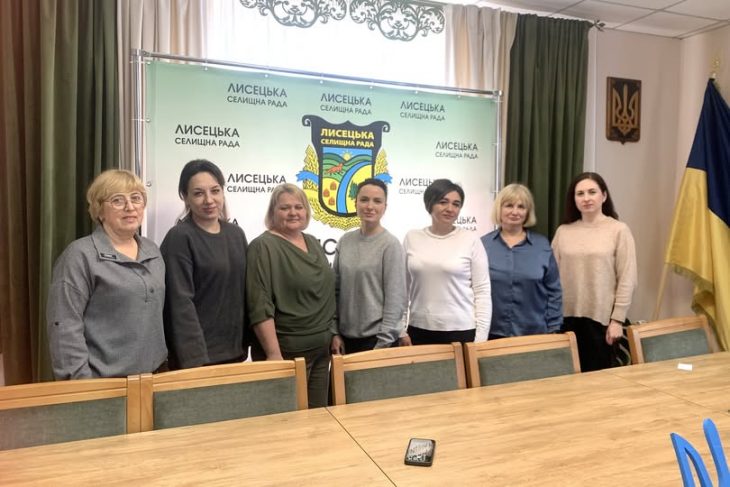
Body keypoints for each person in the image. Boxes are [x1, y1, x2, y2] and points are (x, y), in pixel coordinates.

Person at [47, 169, 167, 379]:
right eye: (117, 200)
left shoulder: (153, 250)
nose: (130, 207)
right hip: (105, 384)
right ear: (99, 210)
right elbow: (64, 326)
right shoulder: (79, 256)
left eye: (136, 198)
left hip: (155, 378)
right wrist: (82, 386)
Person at [246, 183, 335, 408]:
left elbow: (326, 293)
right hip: (288, 354)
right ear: (273, 212)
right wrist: (273, 355)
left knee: (319, 417)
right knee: (289, 420)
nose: (293, 212)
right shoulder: (262, 247)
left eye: (298, 207)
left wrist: (333, 333)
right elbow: (259, 304)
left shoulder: (312, 241)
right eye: (285, 208)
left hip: (322, 351)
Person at [161, 159, 248, 369]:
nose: (209, 200)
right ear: (185, 197)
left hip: (235, 351)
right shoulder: (179, 238)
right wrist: (194, 360)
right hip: (198, 359)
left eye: (215, 191)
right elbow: (180, 303)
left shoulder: (236, 234)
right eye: (198, 193)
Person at [552, 172, 637, 371]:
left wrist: (617, 320)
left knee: (598, 382)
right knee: (565, 381)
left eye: (592, 192)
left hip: (602, 321)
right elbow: (551, 278)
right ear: (574, 199)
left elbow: (627, 278)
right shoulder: (563, 231)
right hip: (565, 320)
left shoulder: (619, 230)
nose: (586, 198)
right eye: (580, 193)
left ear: (604, 196)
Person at [403, 178, 491, 345]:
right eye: (443, 202)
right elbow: (403, 288)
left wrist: (480, 339)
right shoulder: (412, 238)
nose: (450, 209)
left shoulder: (471, 240)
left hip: (462, 331)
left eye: (456, 204)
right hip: (419, 329)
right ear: (430, 204)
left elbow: (482, 291)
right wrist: (401, 329)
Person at [330, 178, 407, 355]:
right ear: (355, 203)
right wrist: (334, 332)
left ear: (385, 207)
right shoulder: (345, 241)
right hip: (345, 340)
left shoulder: (390, 245)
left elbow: (395, 300)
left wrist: (383, 344)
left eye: (377, 201)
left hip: (377, 341)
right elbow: (335, 291)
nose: (370, 206)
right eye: (364, 200)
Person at [481, 183, 562, 339]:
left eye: (521, 207)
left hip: (534, 333)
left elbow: (554, 290)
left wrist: (554, 327)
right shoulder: (483, 245)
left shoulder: (542, 246)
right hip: (491, 333)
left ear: (527, 212)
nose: (515, 212)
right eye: (509, 205)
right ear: (499, 209)